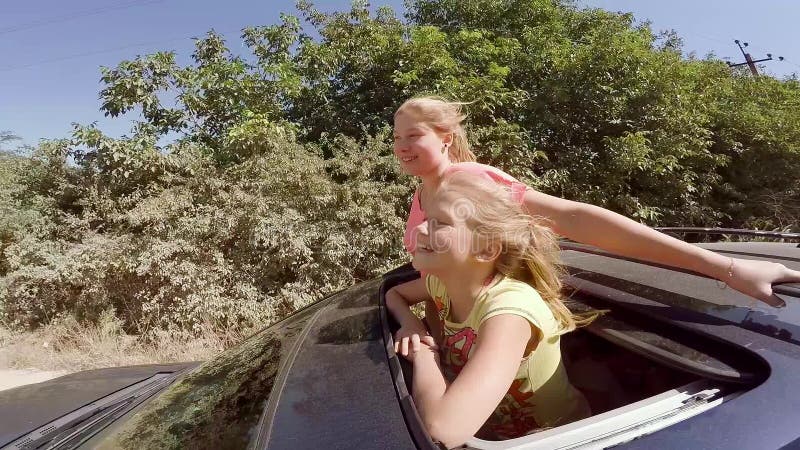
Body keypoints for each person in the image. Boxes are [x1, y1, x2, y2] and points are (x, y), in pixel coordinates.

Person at [393, 96, 800, 342]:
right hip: (455, 333)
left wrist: (727, 267)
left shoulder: (470, 180)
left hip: (498, 336)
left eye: (414, 135)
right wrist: (411, 321)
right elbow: (441, 275)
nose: (403, 146)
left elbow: (573, 217)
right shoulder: (421, 195)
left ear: (445, 136)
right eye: (396, 138)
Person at [386, 172, 598, 447]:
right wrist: (411, 324)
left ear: (486, 250)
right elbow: (394, 294)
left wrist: (425, 354)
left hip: (560, 440)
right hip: (497, 435)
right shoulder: (440, 283)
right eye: (427, 220)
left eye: (441, 224)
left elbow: (441, 431)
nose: (421, 230)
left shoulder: (509, 310)